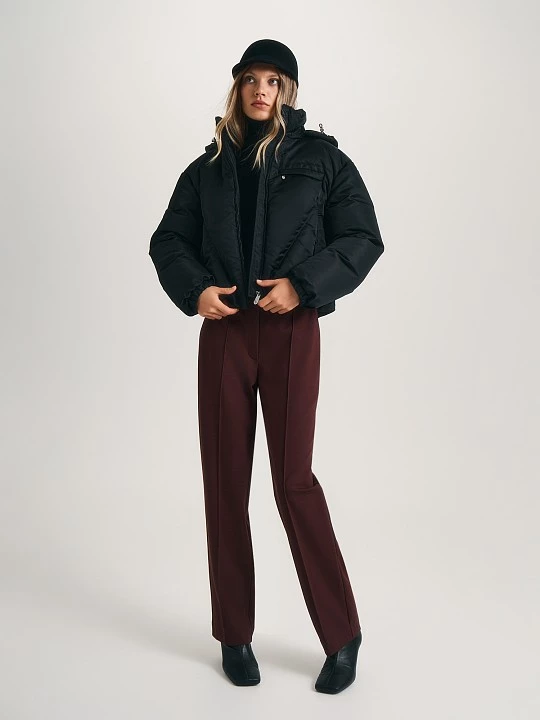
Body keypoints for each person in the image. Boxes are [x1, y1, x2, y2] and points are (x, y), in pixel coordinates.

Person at [149, 39, 384, 694]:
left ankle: (342, 635)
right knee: (224, 484)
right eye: (251, 79)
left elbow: (363, 237)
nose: (261, 90)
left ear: (289, 91)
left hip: (290, 332)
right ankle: (234, 634)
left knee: (293, 482)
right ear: (237, 88)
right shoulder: (208, 168)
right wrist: (196, 289)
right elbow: (169, 239)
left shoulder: (322, 160)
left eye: (274, 81)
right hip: (225, 334)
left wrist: (303, 286)